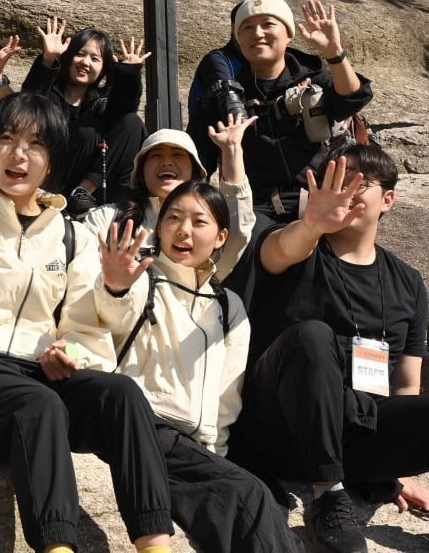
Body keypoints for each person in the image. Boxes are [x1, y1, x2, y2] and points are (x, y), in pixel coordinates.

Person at [0, 93, 174, 553]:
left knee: (123, 395)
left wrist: (72, 349)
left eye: (35, 144)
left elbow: (84, 325)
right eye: (6, 140)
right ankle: (57, 548)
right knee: (40, 405)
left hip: (31, 369)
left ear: (51, 162)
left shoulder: (71, 234)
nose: (18, 154)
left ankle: (155, 544)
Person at [230, 144, 429, 553]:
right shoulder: (297, 244)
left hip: (357, 435)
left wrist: (395, 468)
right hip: (279, 425)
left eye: (360, 181)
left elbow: (407, 385)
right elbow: (277, 251)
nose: (345, 189)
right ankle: (327, 496)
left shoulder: (408, 282)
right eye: (335, 178)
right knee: (312, 336)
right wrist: (311, 225)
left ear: (388, 199)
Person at [97, 181, 299, 551]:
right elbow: (108, 320)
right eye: (172, 217)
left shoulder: (228, 306)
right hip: (141, 429)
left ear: (221, 236)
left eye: (198, 221)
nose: (183, 230)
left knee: (264, 498)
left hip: (194, 448)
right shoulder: (140, 279)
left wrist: (214, 455)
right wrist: (114, 287)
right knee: (248, 494)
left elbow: (227, 397)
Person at [185, 0, 373, 224]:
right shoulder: (224, 96)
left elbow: (352, 98)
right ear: (238, 38)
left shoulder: (313, 79)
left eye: (268, 24)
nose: (257, 33)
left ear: (288, 34)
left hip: (318, 198)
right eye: (247, 27)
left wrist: (334, 52)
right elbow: (197, 161)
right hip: (253, 208)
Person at [83, 118, 256, 278]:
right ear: (141, 172)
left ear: (194, 171)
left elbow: (236, 235)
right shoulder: (107, 218)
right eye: (156, 155)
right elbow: (81, 271)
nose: (167, 162)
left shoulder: (208, 223)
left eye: (178, 155)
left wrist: (232, 150)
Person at [21, 17, 150, 217]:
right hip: (46, 175)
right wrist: (48, 59)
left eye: (95, 59)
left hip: (88, 188)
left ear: (104, 69)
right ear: (68, 56)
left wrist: (130, 73)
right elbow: (28, 101)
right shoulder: (49, 91)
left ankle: (82, 192)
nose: (85, 62)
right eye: (80, 54)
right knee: (85, 130)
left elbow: (125, 109)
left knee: (132, 123)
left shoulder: (101, 102)